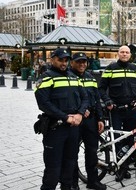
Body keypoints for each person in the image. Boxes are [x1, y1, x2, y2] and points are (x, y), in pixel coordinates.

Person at [34, 48, 89, 190]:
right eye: (60, 60)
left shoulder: (74, 77)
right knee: (53, 170)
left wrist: (80, 114)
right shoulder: (46, 77)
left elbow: (85, 98)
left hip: (73, 129)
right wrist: (65, 118)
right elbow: (44, 104)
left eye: (66, 60)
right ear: (52, 59)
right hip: (55, 129)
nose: (64, 63)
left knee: (70, 167)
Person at [99, 45, 136, 182]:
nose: (124, 54)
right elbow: (101, 88)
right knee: (118, 139)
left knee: (130, 139)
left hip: (131, 110)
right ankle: (120, 169)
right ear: (118, 54)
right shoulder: (110, 68)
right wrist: (107, 101)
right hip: (115, 110)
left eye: (127, 52)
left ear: (130, 55)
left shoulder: (134, 68)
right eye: (122, 52)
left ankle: (126, 166)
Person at [69, 52, 106, 190]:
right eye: (78, 61)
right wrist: (79, 110)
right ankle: (73, 183)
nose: (82, 64)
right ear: (72, 62)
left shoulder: (91, 77)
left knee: (92, 152)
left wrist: (100, 118)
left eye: (84, 61)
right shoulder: (68, 77)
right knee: (72, 153)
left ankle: (93, 181)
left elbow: (97, 99)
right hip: (75, 120)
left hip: (90, 120)